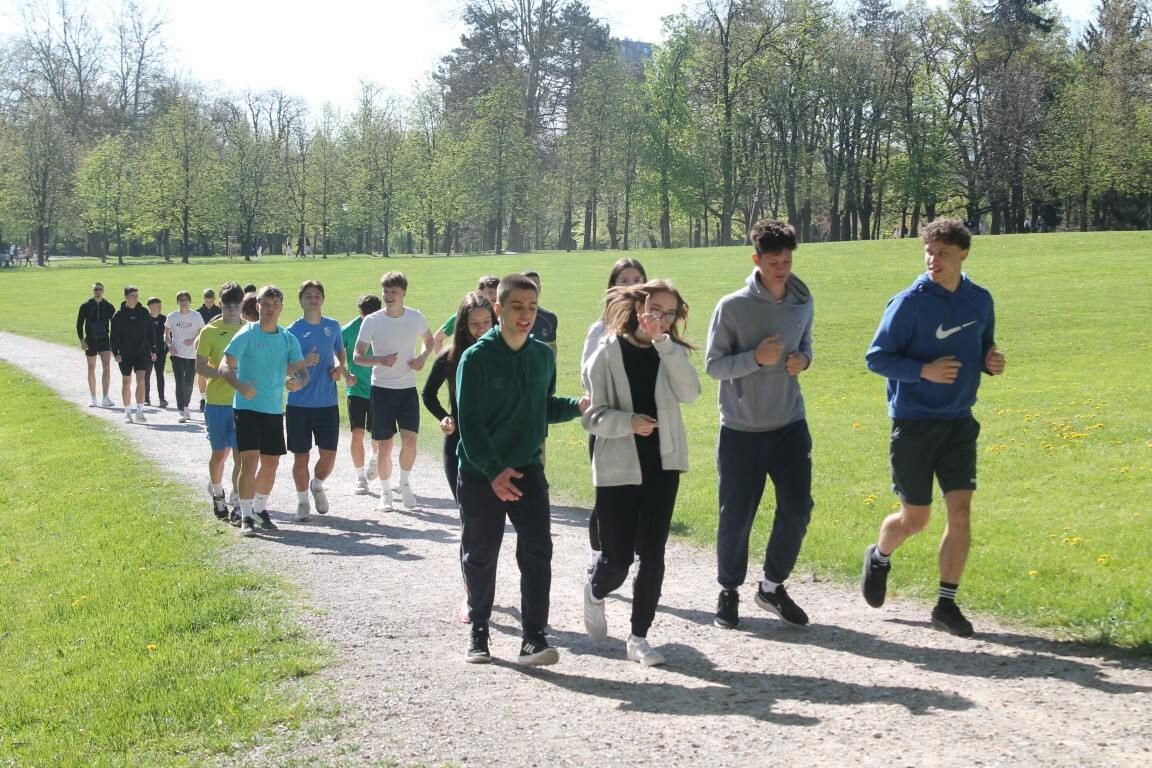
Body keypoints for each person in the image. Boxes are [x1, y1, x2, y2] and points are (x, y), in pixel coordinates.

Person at [861, 218, 1006, 637]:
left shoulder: (980, 300)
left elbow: (984, 346)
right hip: (915, 422)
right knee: (916, 519)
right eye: (929, 251)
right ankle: (880, 555)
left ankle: (946, 604)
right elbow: (876, 358)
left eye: (943, 253)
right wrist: (923, 370)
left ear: (964, 254)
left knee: (960, 513)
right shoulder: (909, 303)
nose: (933, 260)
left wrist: (991, 361)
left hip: (959, 422)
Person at [455, 273, 589, 666]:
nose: (526, 314)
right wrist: (494, 471)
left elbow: (541, 407)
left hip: (527, 468)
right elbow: (470, 424)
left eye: (532, 307)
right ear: (498, 308)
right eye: (517, 306)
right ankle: (479, 629)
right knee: (481, 553)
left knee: (537, 551)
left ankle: (534, 636)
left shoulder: (542, 356)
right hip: (481, 472)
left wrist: (576, 406)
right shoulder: (475, 358)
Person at [581, 279, 700, 666]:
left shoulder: (670, 352)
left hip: (663, 465)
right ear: (638, 308)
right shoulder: (606, 353)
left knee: (652, 553)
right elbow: (592, 417)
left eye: (669, 313)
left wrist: (665, 344)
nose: (661, 319)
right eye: (655, 310)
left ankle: (639, 637)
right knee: (617, 561)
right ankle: (596, 590)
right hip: (618, 467)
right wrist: (628, 422)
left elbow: (691, 392)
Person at [705, 219, 815, 630]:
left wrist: (804, 359)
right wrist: (755, 358)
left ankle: (771, 587)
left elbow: (806, 343)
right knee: (736, 516)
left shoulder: (802, 299)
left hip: (789, 424)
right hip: (741, 430)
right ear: (756, 260)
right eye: (773, 263)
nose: (781, 269)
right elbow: (714, 366)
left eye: (787, 261)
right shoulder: (732, 307)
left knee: (798, 509)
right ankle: (728, 591)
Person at [218, 285, 309, 536]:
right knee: (249, 462)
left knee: (271, 463)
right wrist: (239, 385)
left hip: (273, 409)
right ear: (257, 306)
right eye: (266, 304)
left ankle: (259, 509)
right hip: (247, 408)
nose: (270, 309)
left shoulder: (287, 338)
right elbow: (225, 365)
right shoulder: (247, 334)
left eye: (275, 305)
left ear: (281, 308)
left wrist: (299, 382)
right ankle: (245, 516)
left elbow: (303, 371)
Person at [580, 258, 647, 573]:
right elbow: (586, 376)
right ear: (612, 287)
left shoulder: (651, 328)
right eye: (624, 280)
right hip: (607, 423)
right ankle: (598, 553)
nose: (632, 285)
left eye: (637, 279)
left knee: (642, 494)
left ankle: (637, 554)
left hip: (644, 424)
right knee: (607, 495)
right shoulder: (599, 329)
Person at [353, 272, 434, 513]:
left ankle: (404, 484)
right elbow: (357, 356)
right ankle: (386, 493)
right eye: (386, 291)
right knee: (385, 446)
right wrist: (380, 359)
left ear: (403, 293)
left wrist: (422, 357)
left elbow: (429, 340)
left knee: (410, 441)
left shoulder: (415, 317)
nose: (389, 296)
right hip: (382, 390)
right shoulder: (372, 320)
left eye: (394, 292)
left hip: (407, 389)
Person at [286, 280, 354, 521]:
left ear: (322, 300)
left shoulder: (333, 326)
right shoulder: (291, 331)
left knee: (329, 455)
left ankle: (316, 484)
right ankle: (302, 502)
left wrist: (339, 369)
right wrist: (304, 361)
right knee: (301, 457)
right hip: (298, 405)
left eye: (317, 296)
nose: (313, 299)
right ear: (301, 300)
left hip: (327, 403)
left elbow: (340, 352)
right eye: (308, 296)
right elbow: (284, 366)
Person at [421, 292, 497, 501]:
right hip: (458, 443)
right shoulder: (448, 356)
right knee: (468, 510)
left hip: (496, 444)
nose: (481, 329)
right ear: (463, 324)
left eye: (486, 322)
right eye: (474, 323)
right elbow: (428, 394)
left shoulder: (505, 355)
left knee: (492, 513)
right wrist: (445, 417)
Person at [195, 283, 246, 521]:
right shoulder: (210, 331)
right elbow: (200, 366)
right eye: (228, 304)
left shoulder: (250, 330)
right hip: (217, 402)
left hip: (243, 403)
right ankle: (217, 493)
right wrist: (223, 373)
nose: (232, 309)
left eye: (237, 304)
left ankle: (237, 501)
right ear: (221, 304)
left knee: (240, 456)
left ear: (242, 304)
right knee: (218, 455)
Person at [342, 294, 383, 494]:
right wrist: (345, 374)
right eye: (365, 315)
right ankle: (360, 478)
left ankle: (375, 458)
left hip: (379, 388)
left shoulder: (385, 327)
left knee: (378, 435)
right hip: (356, 389)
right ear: (360, 312)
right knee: (357, 433)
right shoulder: (348, 330)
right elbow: (335, 354)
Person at [110, 285, 157, 424]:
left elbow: (151, 332)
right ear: (126, 297)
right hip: (125, 353)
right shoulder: (118, 315)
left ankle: (140, 411)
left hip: (141, 352)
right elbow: (113, 336)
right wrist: (115, 353)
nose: (135, 298)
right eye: (132, 296)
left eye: (137, 296)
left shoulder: (143, 312)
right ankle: (127, 412)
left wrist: (153, 350)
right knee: (126, 381)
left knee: (141, 379)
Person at [165, 290, 206, 423]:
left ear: (190, 301)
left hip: (192, 355)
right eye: (181, 300)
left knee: (188, 383)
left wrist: (193, 340)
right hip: (177, 354)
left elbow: (202, 333)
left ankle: (186, 406)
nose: (184, 302)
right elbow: (166, 334)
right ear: (177, 302)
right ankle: (181, 410)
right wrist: (170, 346)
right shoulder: (172, 316)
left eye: (186, 300)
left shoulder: (196, 316)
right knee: (179, 382)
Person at [432, 275, 499, 353]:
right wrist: (445, 360)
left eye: (497, 292)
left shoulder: (503, 317)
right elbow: (437, 339)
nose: (494, 295)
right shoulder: (463, 316)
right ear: (479, 292)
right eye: (490, 292)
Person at [76, 282, 116, 407]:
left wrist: (114, 341)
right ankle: (93, 397)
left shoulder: (109, 306)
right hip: (91, 340)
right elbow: (79, 324)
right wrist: (82, 340)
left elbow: (115, 326)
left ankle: (105, 397)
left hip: (104, 339)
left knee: (107, 367)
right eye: (95, 289)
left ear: (103, 291)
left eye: (99, 289)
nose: (97, 291)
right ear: (93, 291)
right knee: (91, 368)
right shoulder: (85, 306)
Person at [196, 288, 222, 412]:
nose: (209, 304)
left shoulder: (220, 312)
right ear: (203, 299)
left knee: (217, 370)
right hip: (203, 344)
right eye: (207, 301)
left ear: (214, 300)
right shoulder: (198, 313)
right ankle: (202, 399)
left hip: (217, 344)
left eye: (211, 301)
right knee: (202, 372)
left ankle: (215, 397)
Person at [522, 271, 558, 354]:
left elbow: (552, 345)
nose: (531, 288)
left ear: (540, 288)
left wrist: (552, 361)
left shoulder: (549, 318)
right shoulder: (509, 317)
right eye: (527, 285)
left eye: (534, 284)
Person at [145, 297, 169, 408]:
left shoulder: (165, 319)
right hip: (147, 353)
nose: (159, 308)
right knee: (147, 375)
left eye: (160, 306)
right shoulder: (145, 319)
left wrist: (166, 350)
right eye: (156, 306)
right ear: (150, 307)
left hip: (161, 352)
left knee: (160, 374)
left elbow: (169, 336)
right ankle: (146, 398)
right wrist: (150, 351)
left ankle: (162, 399)